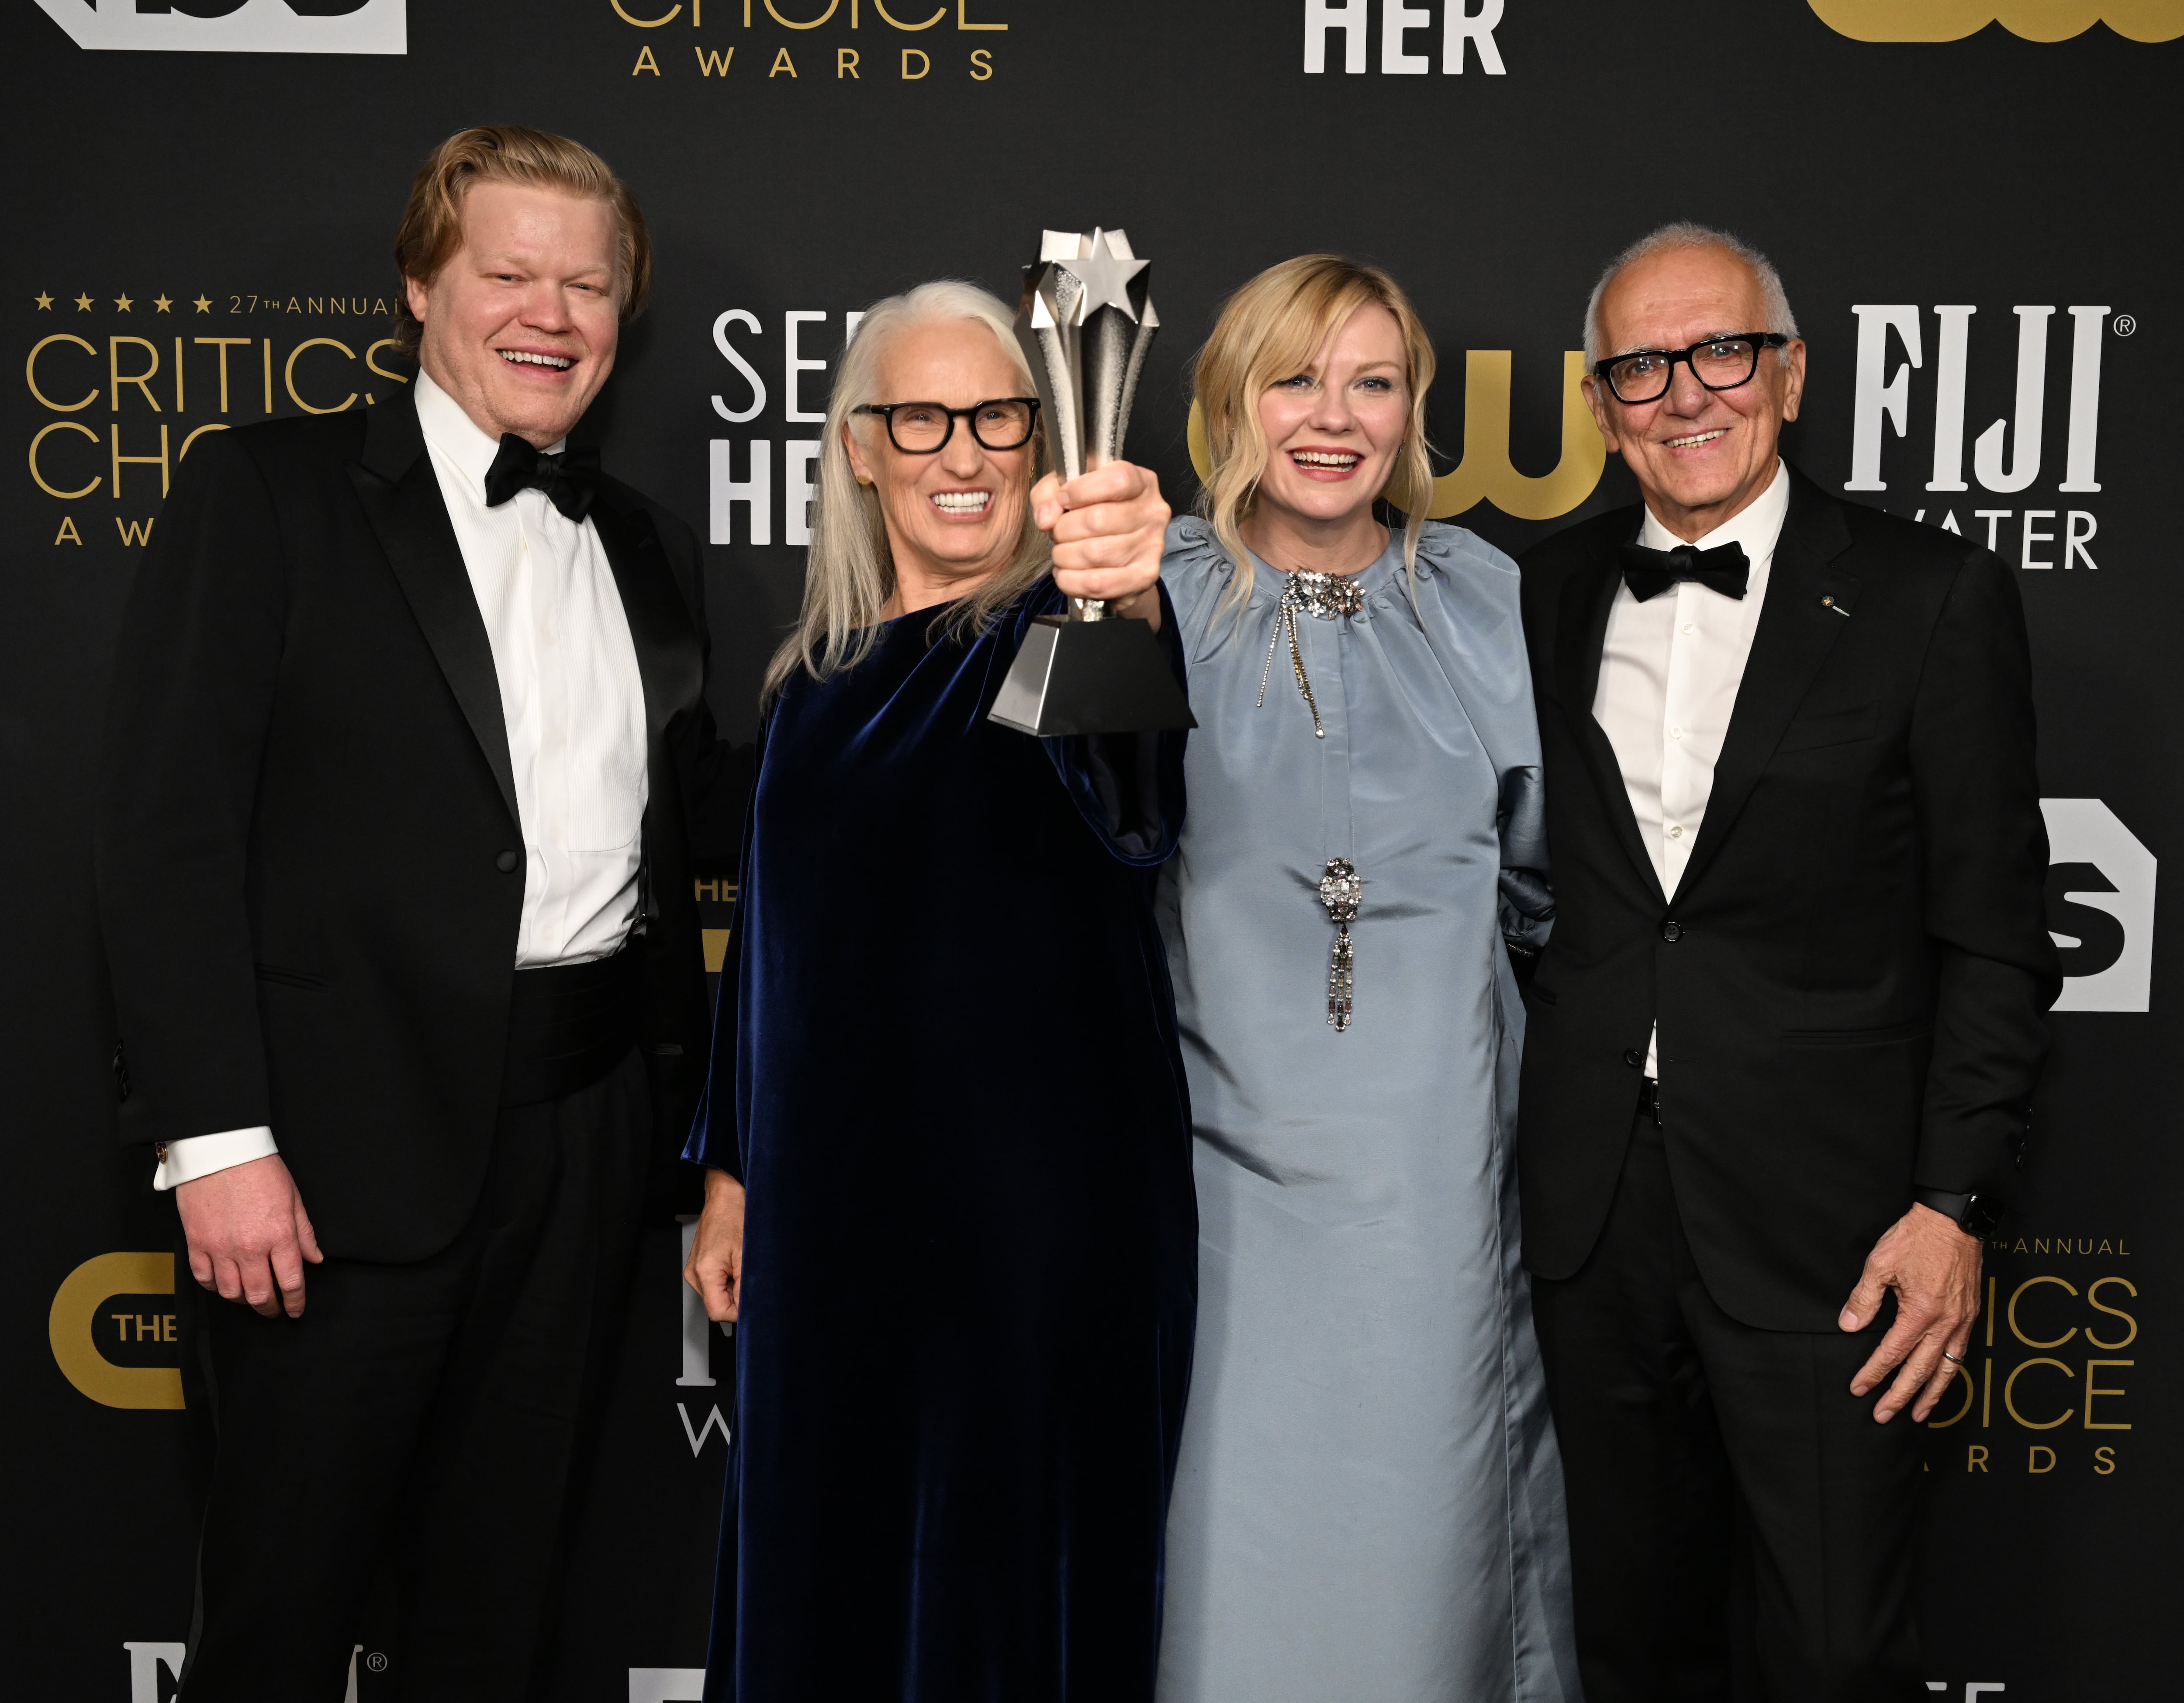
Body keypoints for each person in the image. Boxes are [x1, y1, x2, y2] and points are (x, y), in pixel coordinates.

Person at [95, 127, 748, 1701]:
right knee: (280, 1608)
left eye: (588, 282)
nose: (552, 311)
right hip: (329, 1159)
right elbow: (164, 836)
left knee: (503, 1605)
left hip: (589, 1142)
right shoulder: (267, 494)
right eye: (509, 272)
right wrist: (220, 1141)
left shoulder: (649, 545)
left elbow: (690, 842)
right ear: (420, 288)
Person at [1517, 222, 2060, 1700]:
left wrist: (1953, 1204)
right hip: (1589, 1222)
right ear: (1599, 399)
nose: (1687, 392)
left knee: (1832, 1653)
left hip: (1834, 1232)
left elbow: (2000, 938)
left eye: (1723, 351)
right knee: (1629, 1648)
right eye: (1641, 364)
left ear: (1792, 370)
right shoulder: (1536, 594)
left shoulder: (1929, 596)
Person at [679, 280, 1190, 1702]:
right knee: (820, 1586)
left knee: (1002, 1601)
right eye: (923, 417)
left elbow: (1142, 807)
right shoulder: (813, 684)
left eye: (997, 416)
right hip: (834, 1231)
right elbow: (772, 949)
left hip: (1034, 1238)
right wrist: (730, 1172)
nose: (962, 453)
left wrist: (1128, 599)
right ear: (859, 445)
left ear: (1039, 440)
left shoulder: (1061, 635)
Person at [1151, 255, 1577, 1703]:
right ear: (1230, 399)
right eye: (1296, 377)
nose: (1334, 417)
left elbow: (1545, 882)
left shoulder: (1483, 600)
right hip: (1213, 1206)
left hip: (1433, 1198)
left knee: (1429, 1575)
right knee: (1218, 1573)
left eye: (1373, 382)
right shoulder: (1151, 603)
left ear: (1413, 410)